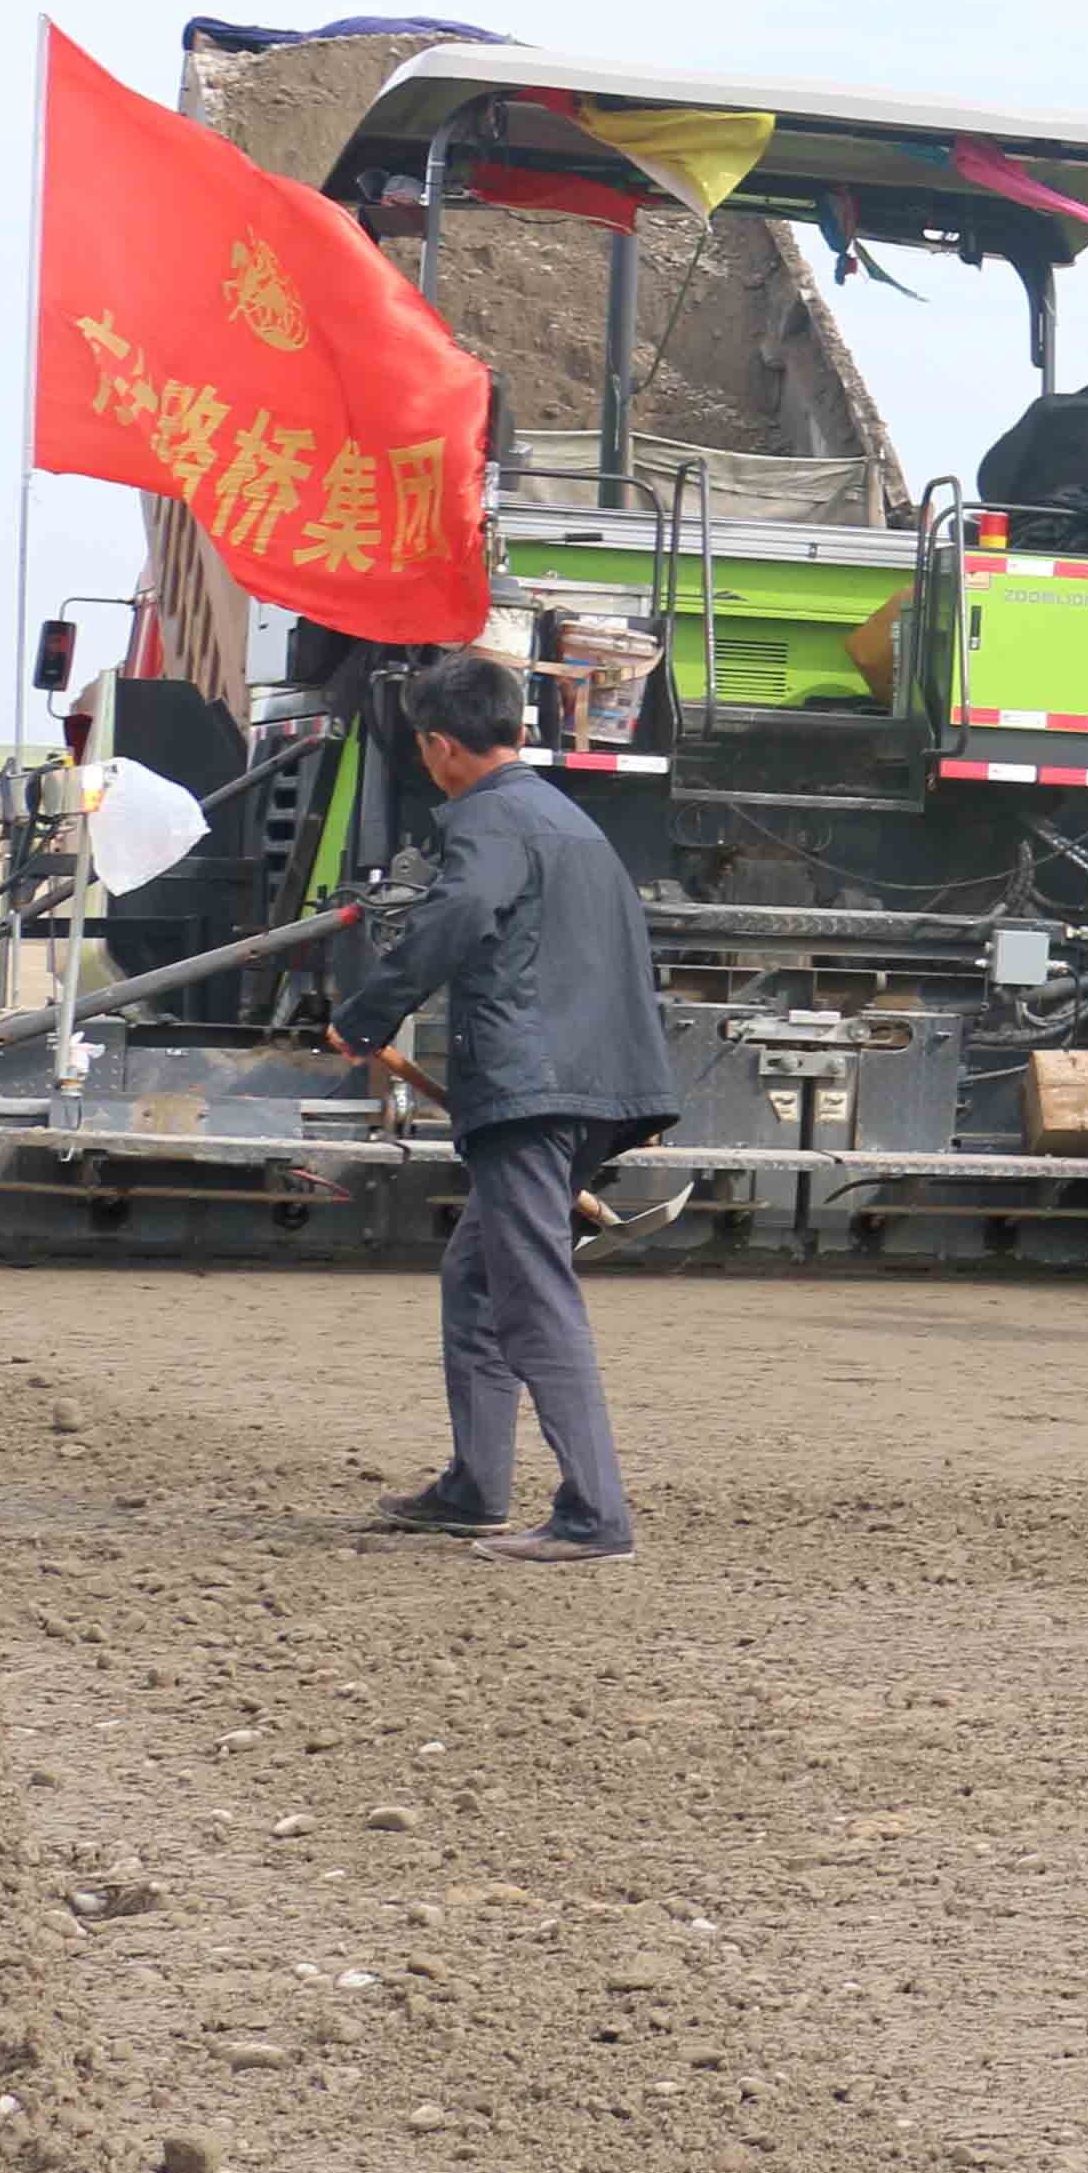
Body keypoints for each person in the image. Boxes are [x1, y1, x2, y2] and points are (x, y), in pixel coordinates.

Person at [323, 651, 678, 1562]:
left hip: (532, 1091)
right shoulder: (570, 821)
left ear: (440, 745)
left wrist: (364, 1019)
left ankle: (594, 1516)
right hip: (599, 1081)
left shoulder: (488, 822)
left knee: (530, 1291)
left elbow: (458, 916)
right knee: (479, 1277)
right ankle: (476, 1487)